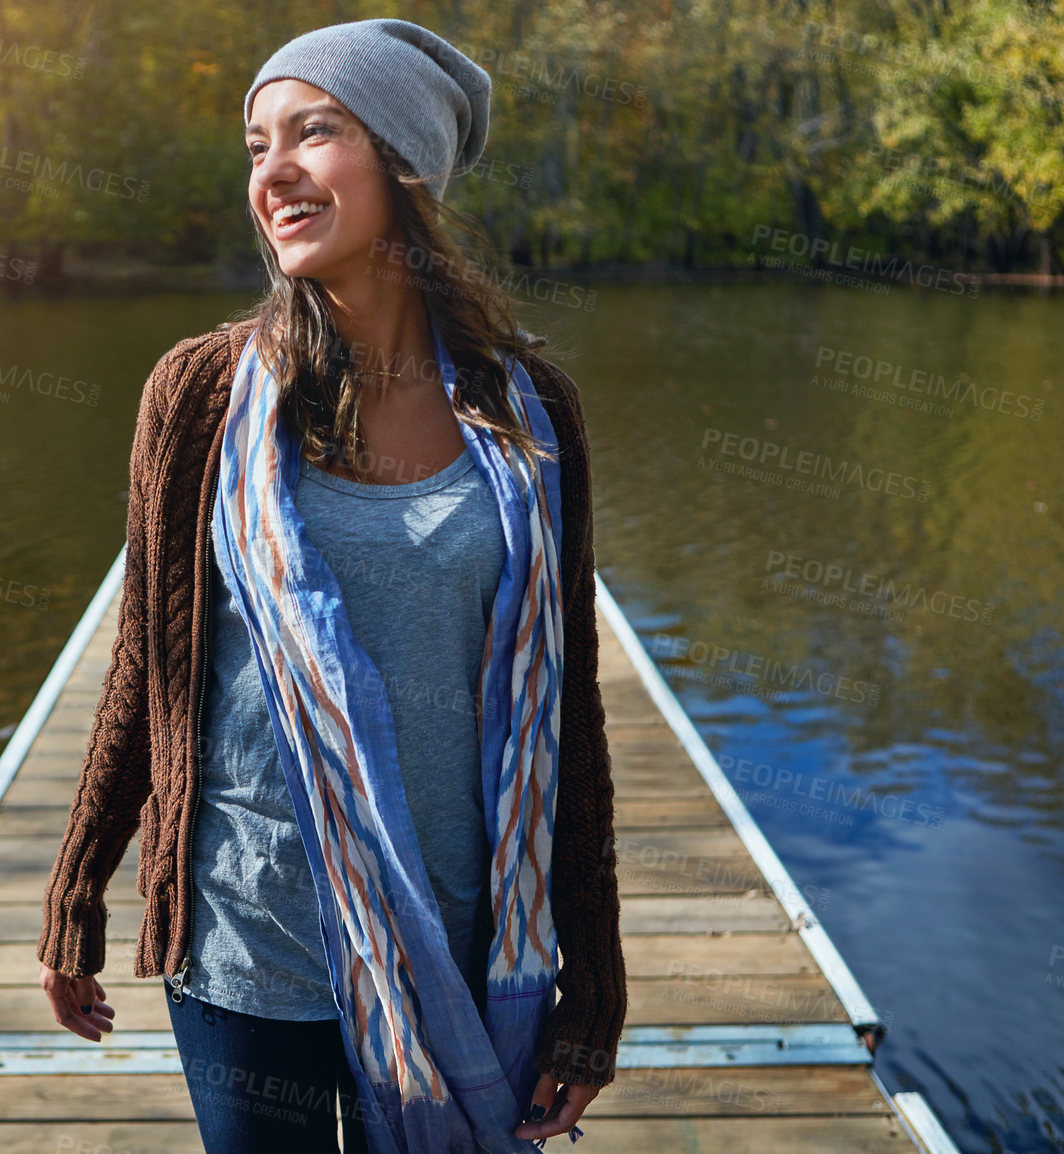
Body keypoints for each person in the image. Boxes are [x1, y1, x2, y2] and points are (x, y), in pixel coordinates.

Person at [37, 18, 627, 1153]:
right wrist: (78, 891)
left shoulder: (529, 409)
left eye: (315, 132)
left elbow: (571, 710)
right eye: (257, 144)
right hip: (247, 939)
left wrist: (591, 985)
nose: (274, 172)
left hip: (462, 936)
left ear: (404, 167)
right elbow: (144, 670)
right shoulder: (199, 396)